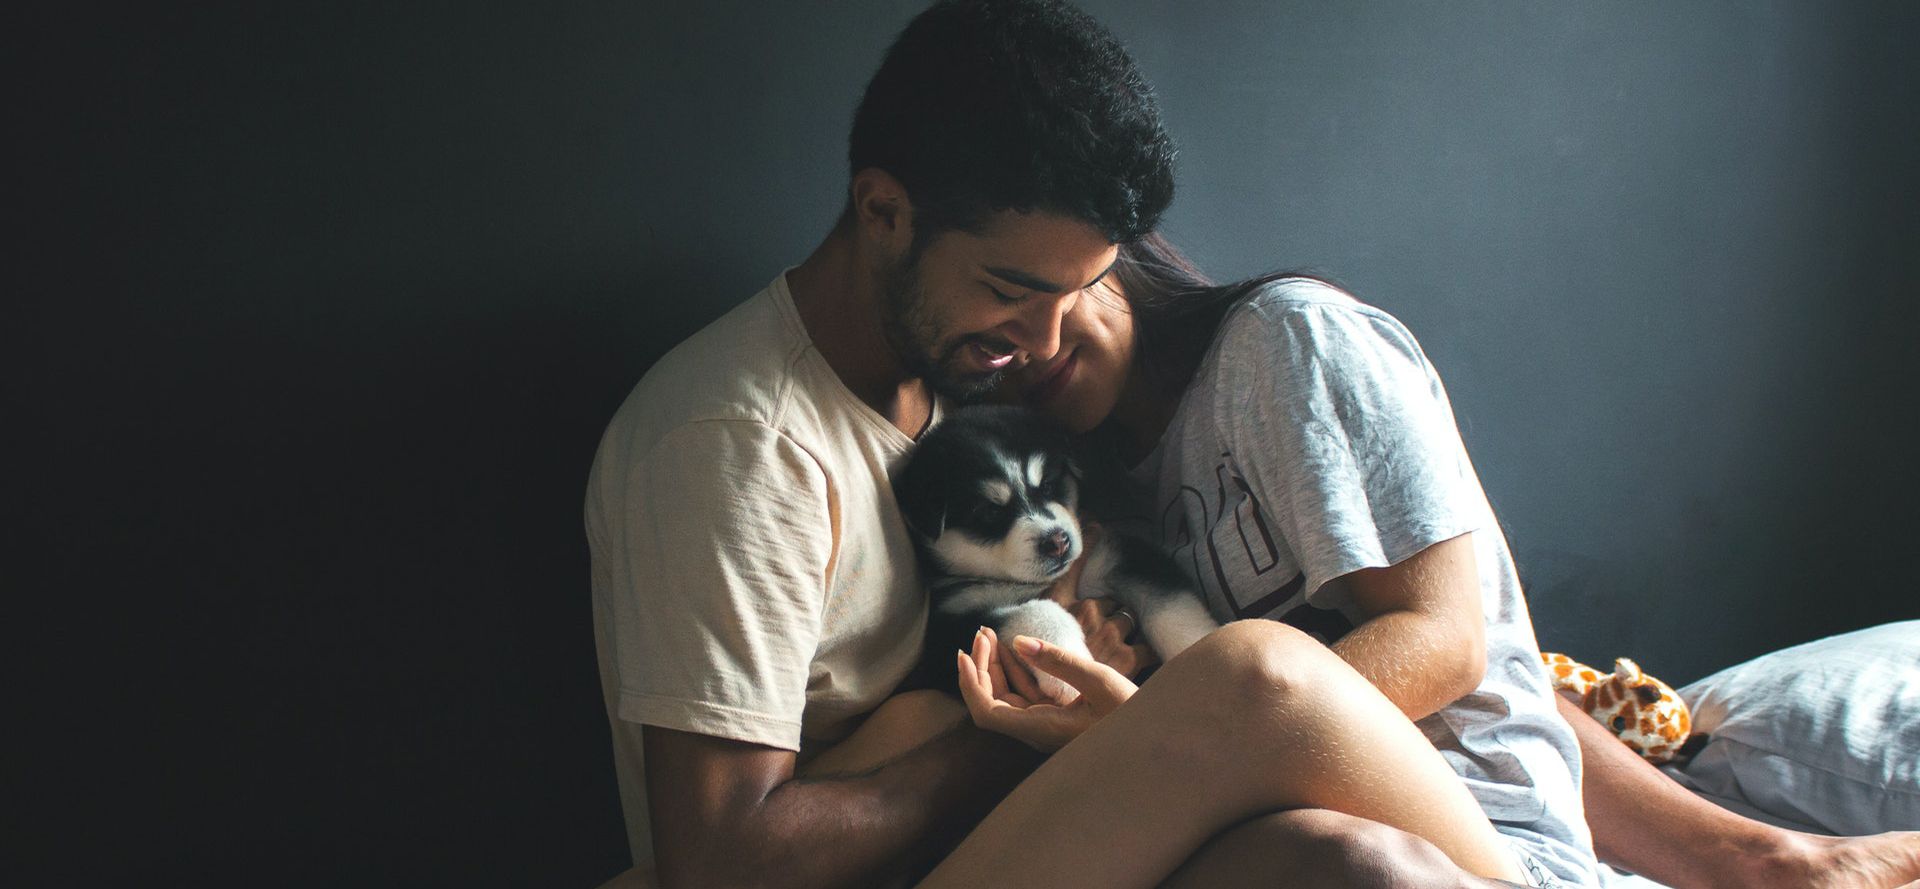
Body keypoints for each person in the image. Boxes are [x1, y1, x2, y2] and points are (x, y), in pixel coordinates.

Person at [587, 2, 1553, 887]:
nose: (1045, 343)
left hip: (1040, 828)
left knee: (1358, 866)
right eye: (1012, 290)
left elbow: (1473, 652)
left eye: (1077, 292)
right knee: (1254, 677)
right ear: (884, 212)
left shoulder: (961, 388)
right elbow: (719, 863)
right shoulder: (742, 443)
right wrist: (1022, 729)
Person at [975, 230, 1920, 889]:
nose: (1024, 348)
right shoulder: (1085, 495)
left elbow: (1450, 644)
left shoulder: (1282, 346)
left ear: (1102, 242)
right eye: (980, 343)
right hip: (1273, 824)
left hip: (1471, 838)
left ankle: (1772, 860)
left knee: (1320, 818)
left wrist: (1158, 742)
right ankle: (1766, 861)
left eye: (1030, 290)